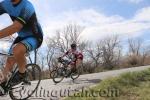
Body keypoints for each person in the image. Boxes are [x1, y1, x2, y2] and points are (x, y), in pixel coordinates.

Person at [0, 0, 43, 95]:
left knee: (17, 50)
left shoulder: (27, 6)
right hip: (21, 37)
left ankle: (22, 74)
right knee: (9, 61)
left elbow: (16, 27)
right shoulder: (5, 4)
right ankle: (4, 84)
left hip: (34, 36)